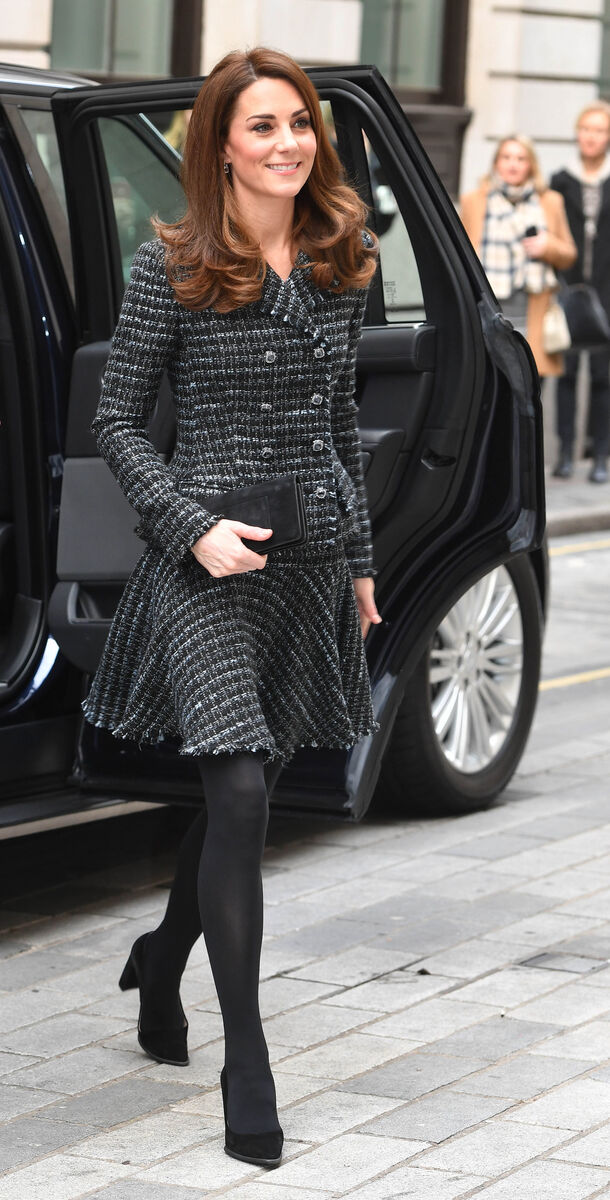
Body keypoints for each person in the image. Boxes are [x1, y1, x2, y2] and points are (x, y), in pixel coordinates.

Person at [80, 47, 381, 1169]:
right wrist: (189, 523)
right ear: (220, 144)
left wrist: (360, 563)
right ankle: (245, 1058)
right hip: (207, 563)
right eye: (261, 127)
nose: (287, 144)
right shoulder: (172, 263)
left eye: (298, 124)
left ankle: (162, 958)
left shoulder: (340, 256)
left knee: (241, 789)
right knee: (241, 782)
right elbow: (114, 422)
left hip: (306, 559)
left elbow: (340, 427)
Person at [460, 134, 576, 375]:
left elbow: (569, 254)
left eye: (521, 158)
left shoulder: (550, 201)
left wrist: (548, 246)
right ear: (496, 163)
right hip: (488, 309)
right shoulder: (475, 201)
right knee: (490, 383)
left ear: (531, 164)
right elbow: (461, 254)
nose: (513, 164)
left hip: (533, 313)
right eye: (507, 157)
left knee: (529, 387)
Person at [551, 101, 610, 483]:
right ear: (577, 134)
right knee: (568, 373)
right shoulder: (560, 180)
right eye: (586, 129)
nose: (591, 136)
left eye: (599, 130)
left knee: (605, 375)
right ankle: (566, 454)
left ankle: (601, 455)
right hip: (569, 290)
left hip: (607, 291)